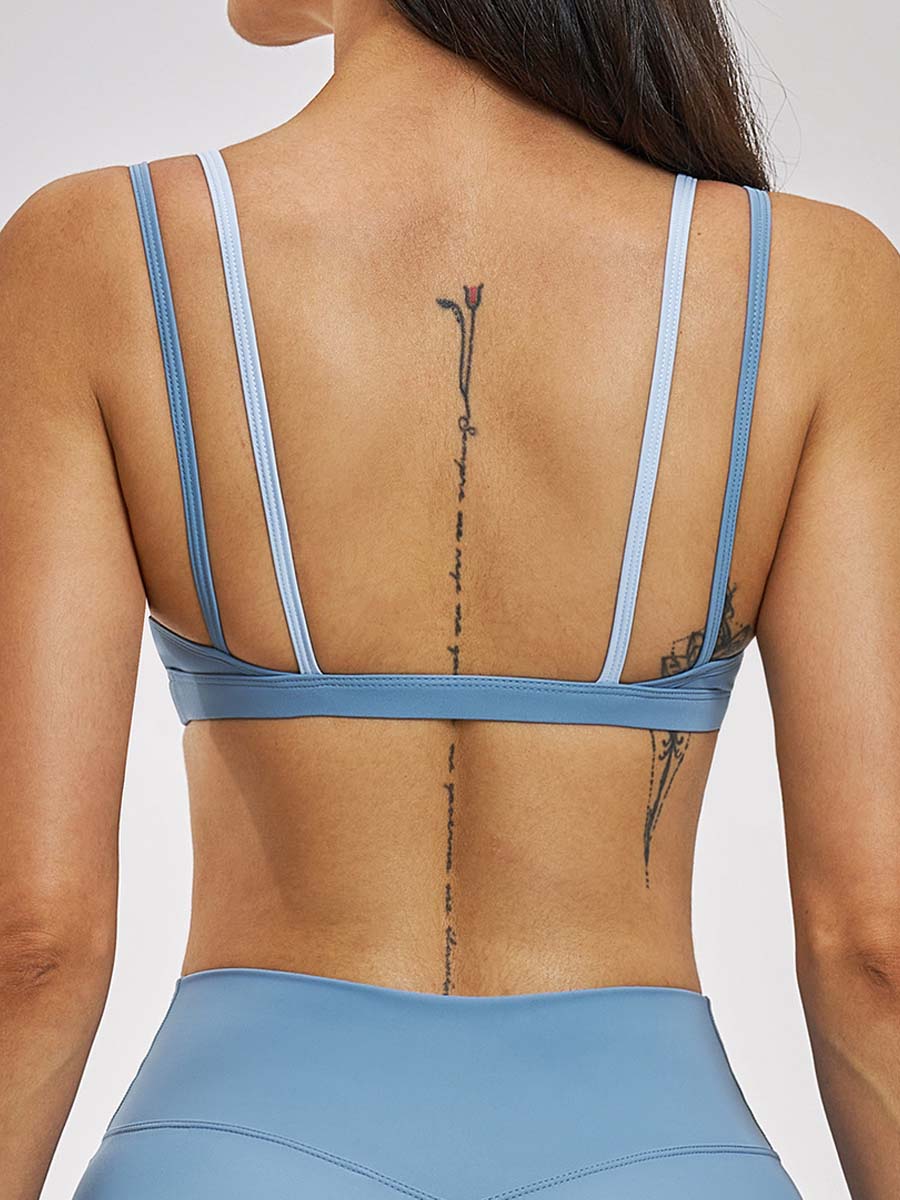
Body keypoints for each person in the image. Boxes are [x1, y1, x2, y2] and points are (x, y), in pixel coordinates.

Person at [1, 1, 898, 1197]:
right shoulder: (813, 283)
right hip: (662, 1157)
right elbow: (873, 942)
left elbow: (34, 941)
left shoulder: (99, 253)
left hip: (232, 1151)